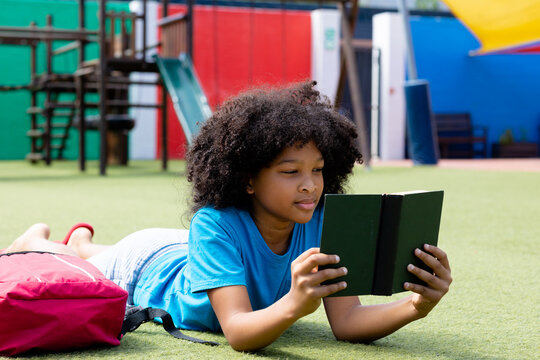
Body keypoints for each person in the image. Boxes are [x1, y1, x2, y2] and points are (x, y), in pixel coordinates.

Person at [4, 81, 452, 351]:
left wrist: (416, 305)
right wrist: (295, 304)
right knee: (83, 266)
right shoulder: (215, 223)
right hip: (148, 266)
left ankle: (81, 240)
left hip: (187, 251)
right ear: (247, 179)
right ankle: (41, 241)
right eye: (290, 172)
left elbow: (348, 322)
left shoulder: (322, 220)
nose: (309, 185)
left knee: (104, 251)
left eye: (318, 170)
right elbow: (237, 331)